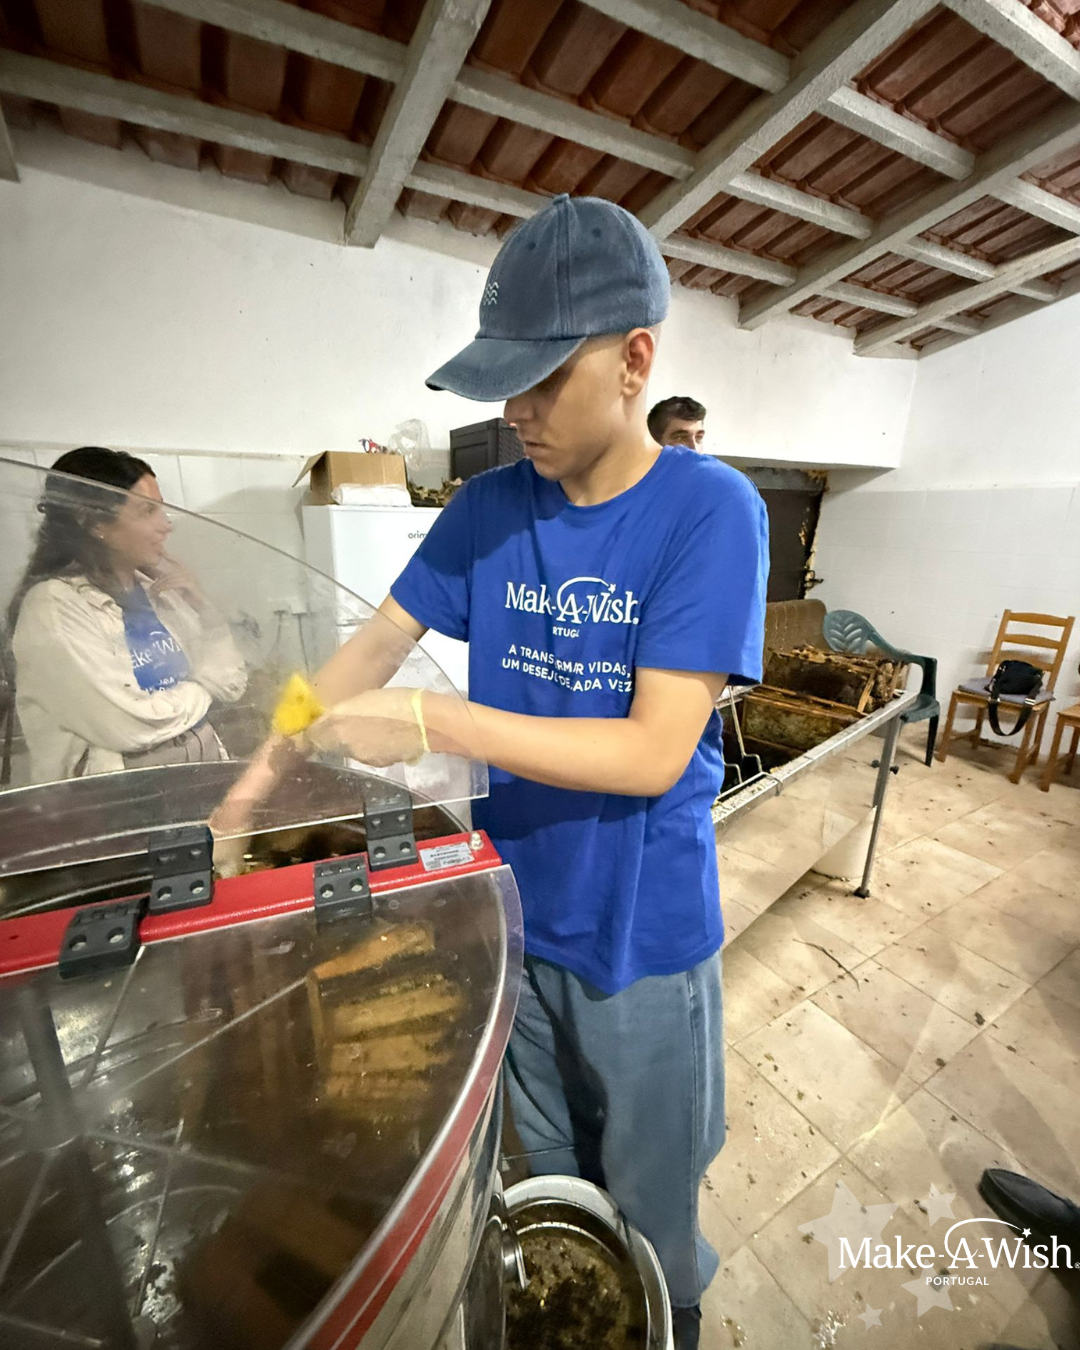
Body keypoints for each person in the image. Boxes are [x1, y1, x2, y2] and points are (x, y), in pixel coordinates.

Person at [213, 194, 768, 1349]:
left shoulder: (709, 513)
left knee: (649, 1199)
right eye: (503, 383)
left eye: (543, 379)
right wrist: (262, 771)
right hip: (512, 910)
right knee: (547, 1176)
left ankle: (672, 1317)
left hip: (640, 935)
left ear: (635, 361)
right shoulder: (489, 507)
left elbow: (652, 751)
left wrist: (436, 720)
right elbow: (372, 645)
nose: (516, 412)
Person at [9, 447, 247, 783]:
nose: (166, 526)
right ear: (94, 523)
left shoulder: (158, 590)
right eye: (148, 511)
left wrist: (203, 606)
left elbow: (233, 678)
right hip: (121, 798)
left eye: (161, 509)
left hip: (198, 776)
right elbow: (129, 726)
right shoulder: (53, 606)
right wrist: (206, 688)